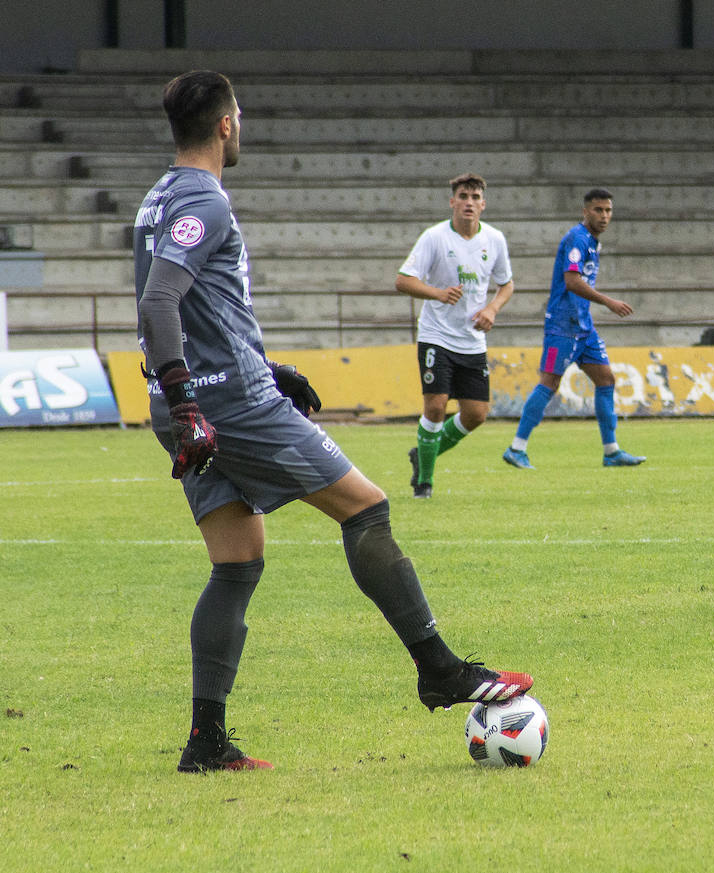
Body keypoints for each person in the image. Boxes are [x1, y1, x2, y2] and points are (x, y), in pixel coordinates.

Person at [134, 71, 532, 773]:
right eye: (241, 116)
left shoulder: (157, 197)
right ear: (226, 124)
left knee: (236, 562)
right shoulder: (205, 200)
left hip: (192, 400)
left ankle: (205, 741)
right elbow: (160, 301)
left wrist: (257, 368)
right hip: (223, 403)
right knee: (367, 507)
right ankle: (438, 667)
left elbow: (196, 307)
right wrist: (198, 396)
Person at [501, 188, 645, 470]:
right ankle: (516, 448)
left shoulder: (592, 241)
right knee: (549, 383)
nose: (604, 216)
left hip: (583, 326)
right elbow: (571, 280)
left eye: (608, 211)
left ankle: (611, 451)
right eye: (598, 210)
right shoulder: (577, 239)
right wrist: (608, 302)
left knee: (606, 379)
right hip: (563, 326)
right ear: (585, 211)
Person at [396, 173, 514, 498]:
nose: (469, 202)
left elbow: (507, 284)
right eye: (463, 196)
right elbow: (403, 280)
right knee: (435, 407)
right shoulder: (434, 238)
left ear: (483, 205)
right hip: (437, 336)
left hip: (472, 340)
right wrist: (436, 293)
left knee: (476, 414)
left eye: (475, 197)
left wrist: (492, 310)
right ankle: (425, 483)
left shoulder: (495, 240)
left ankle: (422, 454)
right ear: (452, 202)